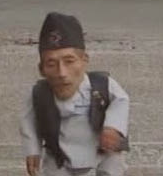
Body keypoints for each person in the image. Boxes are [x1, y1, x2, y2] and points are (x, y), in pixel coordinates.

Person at [21, 12, 131, 176]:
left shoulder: (103, 85)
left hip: (100, 152)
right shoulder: (39, 93)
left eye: (69, 61)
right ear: (41, 69)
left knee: (112, 166)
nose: (62, 73)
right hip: (60, 155)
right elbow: (29, 122)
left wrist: (112, 127)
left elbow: (121, 101)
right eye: (51, 64)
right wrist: (32, 150)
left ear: (84, 60)